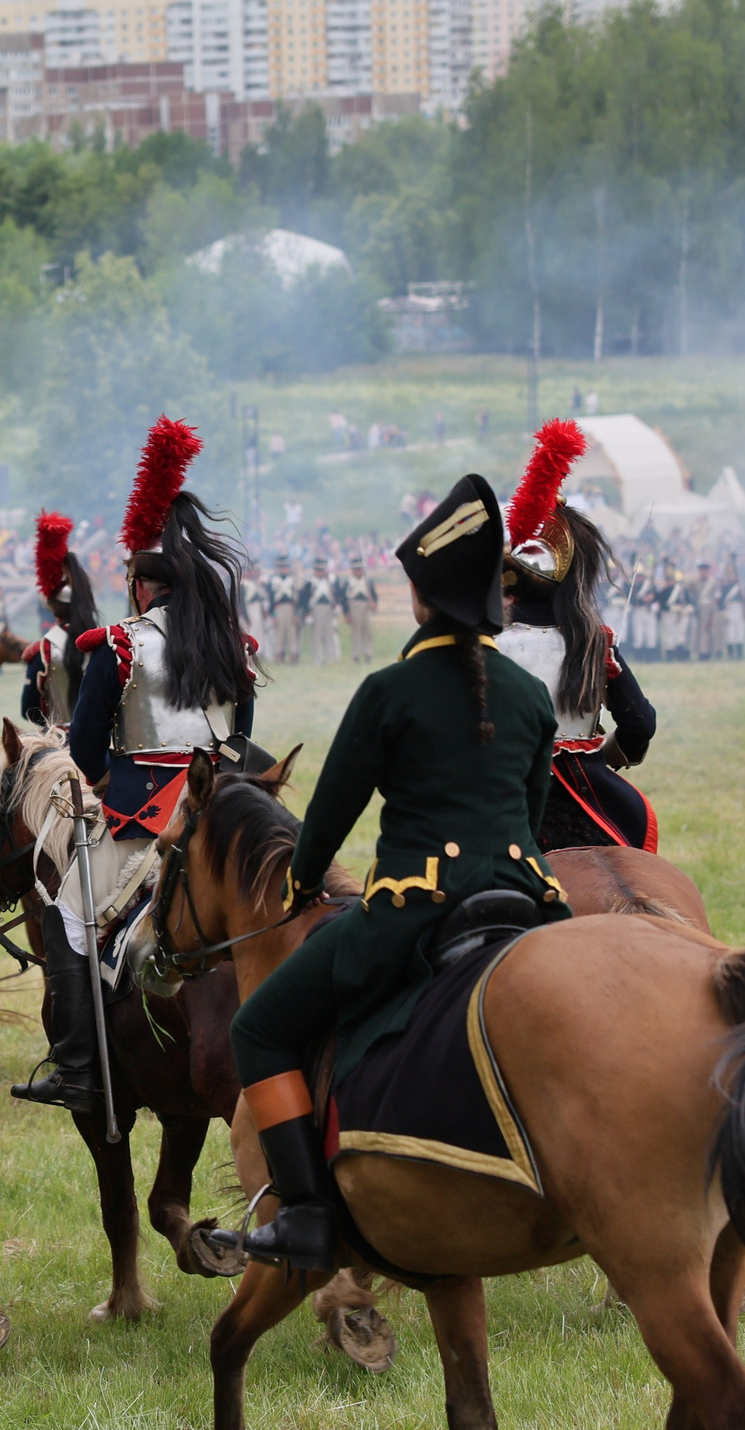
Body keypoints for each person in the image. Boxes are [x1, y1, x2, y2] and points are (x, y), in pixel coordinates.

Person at [229, 473, 566, 1271]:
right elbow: (531, 803)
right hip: (530, 902)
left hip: (418, 912)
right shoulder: (528, 695)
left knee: (260, 1029)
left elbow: (331, 813)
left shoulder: (390, 690)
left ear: (420, 598)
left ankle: (308, 1213)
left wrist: (303, 880)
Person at [22, 416, 251, 1112]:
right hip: (222, 811)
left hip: (141, 816)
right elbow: (239, 740)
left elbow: (86, 753)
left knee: (66, 913)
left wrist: (93, 774)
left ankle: (80, 1067)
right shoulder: (233, 645)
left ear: (145, 585)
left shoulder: (118, 646)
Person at [494, 421, 661, 851]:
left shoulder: (489, 647)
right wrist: (598, 759)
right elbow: (639, 725)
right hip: (595, 799)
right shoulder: (596, 642)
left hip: (513, 805)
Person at [20, 510, 97, 729]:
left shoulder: (42, 650)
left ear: (53, 606)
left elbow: (29, 710)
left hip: (58, 743)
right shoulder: (104, 642)